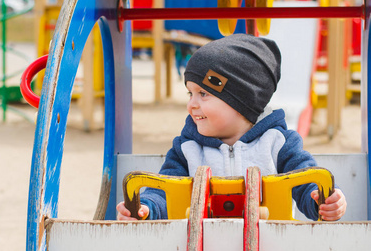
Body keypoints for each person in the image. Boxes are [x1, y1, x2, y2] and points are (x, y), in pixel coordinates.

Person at [117, 34, 347, 222]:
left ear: (240, 102)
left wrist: (322, 202)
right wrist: (145, 209)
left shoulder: (277, 143)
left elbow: (305, 181)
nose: (191, 104)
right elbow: (164, 191)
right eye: (191, 93)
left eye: (204, 94)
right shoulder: (187, 148)